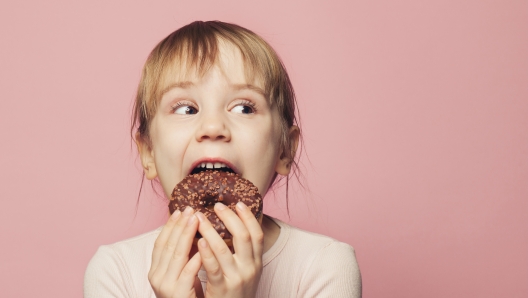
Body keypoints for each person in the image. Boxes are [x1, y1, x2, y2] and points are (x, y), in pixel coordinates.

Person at [84, 20, 361, 298]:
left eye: (244, 107)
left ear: (285, 149)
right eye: (186, 108)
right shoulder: (115, 270)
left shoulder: (324, 265)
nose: (213, 127)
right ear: (149, 153)